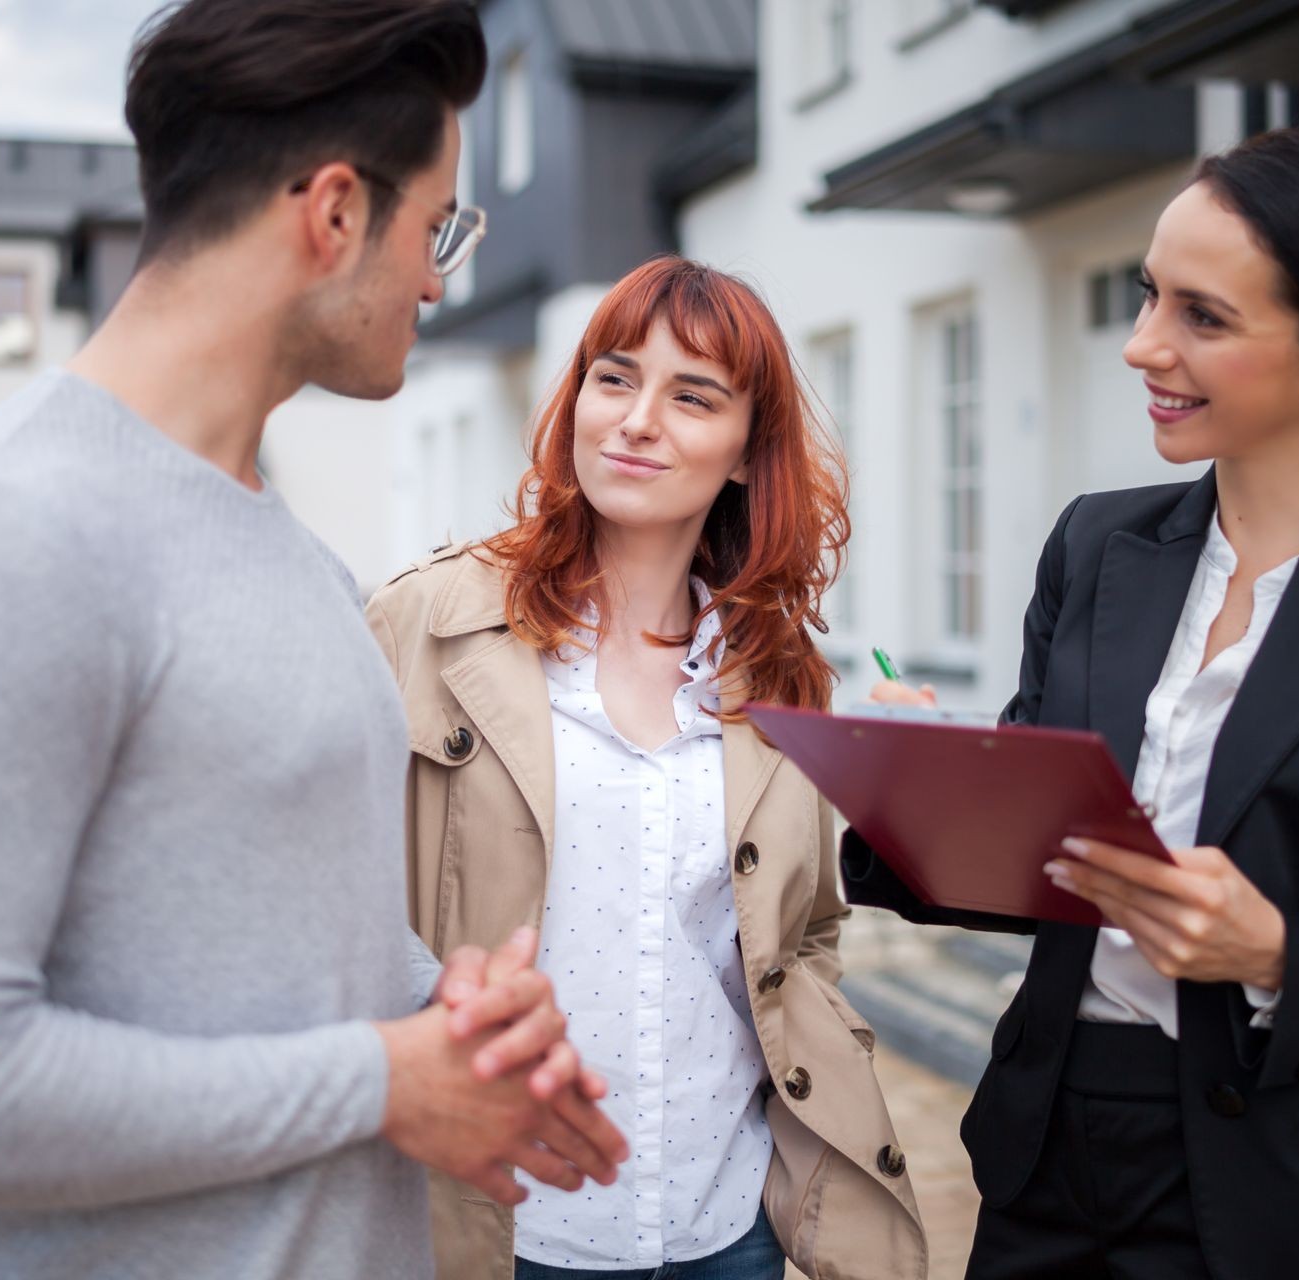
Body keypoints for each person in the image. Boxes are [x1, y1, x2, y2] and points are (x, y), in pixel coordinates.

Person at [0, 3, 626, 1277]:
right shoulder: (1, 532)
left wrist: (446, 1017)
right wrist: (382, 1080)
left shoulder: (298, 559)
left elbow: (294, 957)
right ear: (335, 212)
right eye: (437, 228)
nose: (439, 279)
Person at [848, 128, 1299, 1279]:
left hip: (1296, 1185)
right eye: (1148, 297)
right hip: (1055, 1151)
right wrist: (917, 780)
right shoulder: (1096, 544)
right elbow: (1046, 866)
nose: (1142, 346)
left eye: (1203, 316)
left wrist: (1276, 951)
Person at [367, 256, 929, 1280]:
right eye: (614, 377)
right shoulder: (423, 626)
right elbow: (335, 902)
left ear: (750, 454)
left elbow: (802, 937)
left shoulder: (782, 675)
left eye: (692, 395)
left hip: (722, 1220)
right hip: (499, 1222)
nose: (635, 419)